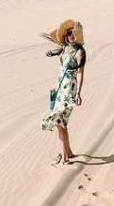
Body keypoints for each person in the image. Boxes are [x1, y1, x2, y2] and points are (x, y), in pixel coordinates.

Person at [40, 19, 86, 165]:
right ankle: (69, 152)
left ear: (77, 35)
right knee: (60, 122)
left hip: (69, 90)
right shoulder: (65, 48)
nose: (70, 35)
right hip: (60, 88)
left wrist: (78, 93)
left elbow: (80, 73)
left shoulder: (80, 52)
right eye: (68, 33)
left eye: (73, 33)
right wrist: (52, 52)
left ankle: (64, 156)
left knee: (60, 121)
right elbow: (59, 49)